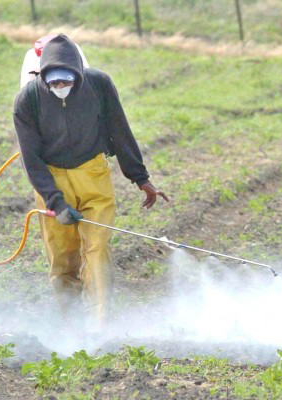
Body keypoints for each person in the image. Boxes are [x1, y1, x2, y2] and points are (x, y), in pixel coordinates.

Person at [12, 34, 168, 326]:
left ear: (78, 76)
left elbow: (120, 131)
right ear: (43, 78)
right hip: (51, 179)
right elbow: (30, 160)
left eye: (66, 82)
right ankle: (70, 326)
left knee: (96, 249)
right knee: (63, 257)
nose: (60, 88)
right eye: (54, 83)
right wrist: (56, 203)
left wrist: (140, 178)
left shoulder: (99, 85)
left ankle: (100, 325)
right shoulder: (27, 100)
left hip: (93, 173)